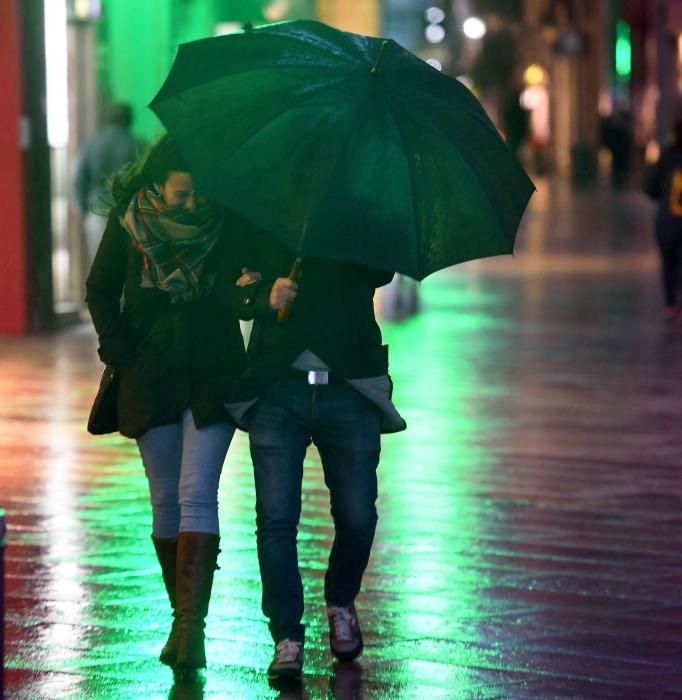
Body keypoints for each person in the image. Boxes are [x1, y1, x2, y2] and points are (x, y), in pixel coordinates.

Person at [85, 134, 268, 673]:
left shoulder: (227, 219)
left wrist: (249, 285)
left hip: (213, 370)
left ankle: (193, 629)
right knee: (165, 498)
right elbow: (99, 290)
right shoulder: (129, 221)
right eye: (181, 196)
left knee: (196, 491)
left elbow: (242, 291)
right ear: (157, 186)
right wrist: (123, 351)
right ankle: (180, 620)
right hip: (152, 374)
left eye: (197, 195)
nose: (192, 204)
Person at [237, 245, 406, 682]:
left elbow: (381, 268)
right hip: (278, 384)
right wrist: (261, 295)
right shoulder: (268, 202)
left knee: (357, 515)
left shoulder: (361, 204)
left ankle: (341, 598)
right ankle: (286, 636)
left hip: (348, 384)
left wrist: (343, 232)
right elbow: (235, 276)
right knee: (275, 518)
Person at [74, 103, 143, 269]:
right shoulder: (138, 145)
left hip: (97, 213)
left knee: (101, 269)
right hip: (129, 215)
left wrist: (85, 211)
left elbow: (78, 182)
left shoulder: (91, 146)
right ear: (130, 120)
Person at [643, 120, 682, 321]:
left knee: (669, 264)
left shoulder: (666, 157)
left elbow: (650, 188)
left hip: (667, 221)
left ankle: (671, 305)